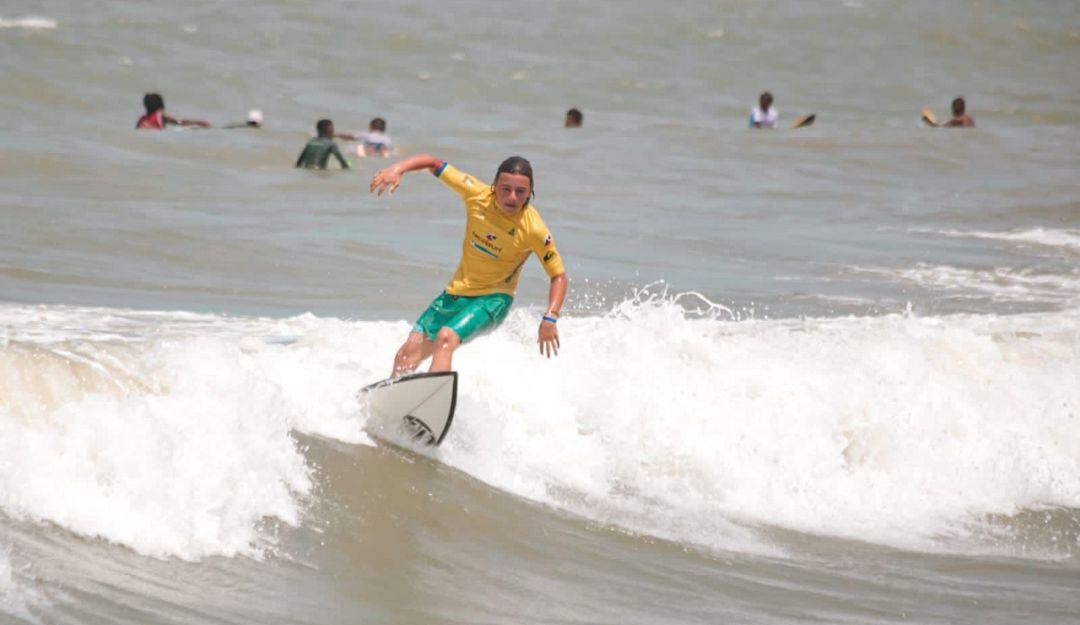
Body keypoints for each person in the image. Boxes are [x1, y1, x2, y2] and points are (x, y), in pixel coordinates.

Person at [370, 155, 568, 376]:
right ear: (494, 187)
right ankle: (396, 405)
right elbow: (433, 163)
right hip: (456, 293)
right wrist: (398, 168)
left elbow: (558, 276)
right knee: (406, 356)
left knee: (446, 338)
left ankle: (434, 402)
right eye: (505, 189)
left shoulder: (534, 230)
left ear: (530, 192)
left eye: (520, 191)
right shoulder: (476, 194)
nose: (512, 197)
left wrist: (550, 317)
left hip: (494, 299)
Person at [135, 93, 211, 130]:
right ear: (160, 106)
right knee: (191, 129)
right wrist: (199, 123)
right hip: (155, 133)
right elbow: (180, 122)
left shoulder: (141, 119)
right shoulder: (160, 115)